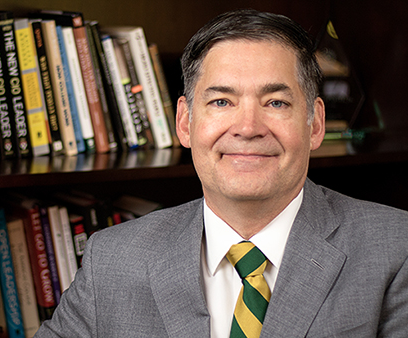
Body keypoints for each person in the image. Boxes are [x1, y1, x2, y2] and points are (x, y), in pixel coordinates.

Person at [35, 9, 408, 337]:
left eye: (275, 102)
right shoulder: (113, 259)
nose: (247, 127)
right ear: (185, 122)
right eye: (221, 101)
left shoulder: (396, 249)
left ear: (315, 124)